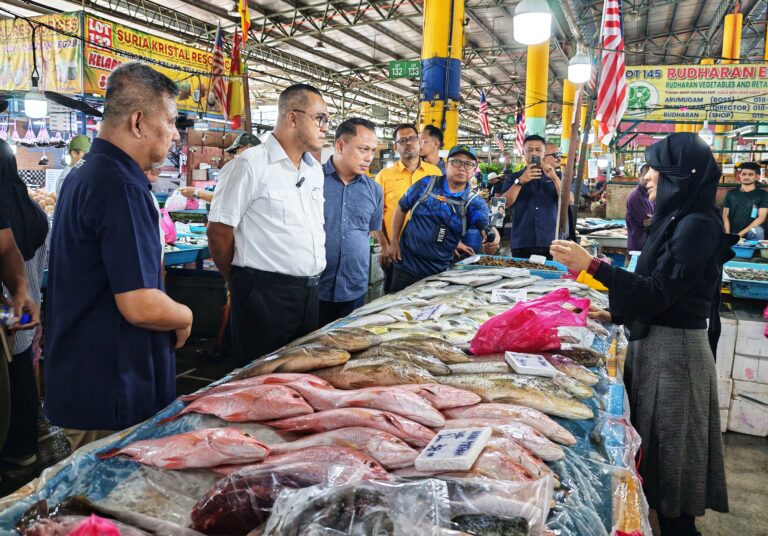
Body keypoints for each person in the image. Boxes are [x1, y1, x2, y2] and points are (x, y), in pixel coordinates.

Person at [550, 133, 732, 536]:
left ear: (680, 175)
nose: (646, 176)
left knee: (673, 467)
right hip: (655, 345)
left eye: (654, 168)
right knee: (655, 457)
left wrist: (593, 266)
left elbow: (658, 292)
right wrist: (614, 310)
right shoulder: (675, 218)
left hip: (677, 355)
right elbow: (656, 286)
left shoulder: (698, 226)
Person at [45, 63, 193, 450]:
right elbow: (140, 305)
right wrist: (185, 315)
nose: (175, 135)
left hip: (87, 379)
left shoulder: (86, 173)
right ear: (139, 122)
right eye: (172, 121)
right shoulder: (121, 188)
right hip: (110, 389)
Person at [207, 84, 328, 367]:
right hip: (263, 296)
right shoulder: (250, 165)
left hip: (309, 293)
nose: (325, 127)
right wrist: (238, 281)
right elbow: (219, 232)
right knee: (260, 378)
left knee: (299, 378)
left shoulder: (314, 171)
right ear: (293, 118)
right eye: (319, 118)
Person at [388, 145, 500, 292]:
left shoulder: (474, 203)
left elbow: (487, 227)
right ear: (446, 165)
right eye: (456, 162)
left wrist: (493, 241)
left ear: (474, 170)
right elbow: (401, 208)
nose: (462, 168)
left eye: (468, 164)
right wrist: (394, 241)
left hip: (438, 272)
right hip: (405, 265)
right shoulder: (426, 185)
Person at [0, 140, 48, 469]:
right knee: (23, 378)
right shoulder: (36, 214)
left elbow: (5, 248)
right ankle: (23, 449)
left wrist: (17, 290)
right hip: (21, 318)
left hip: (10, 316)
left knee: (13, 384)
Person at [319, 118, 383, 325]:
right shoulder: (312, 180)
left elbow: (370, 231)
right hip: (314, 288)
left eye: (372, 151)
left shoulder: (374, 190)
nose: (369, 158)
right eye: (363, 149)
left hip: (354, 287)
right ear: (340, 145)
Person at [374, 125, 441, 292]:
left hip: (428, 252)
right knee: (394, 301)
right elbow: (374, 216)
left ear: (419, 142)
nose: (408, 143)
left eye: (412, 139)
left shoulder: (435, 174)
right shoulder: (384, 176)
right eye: (402, 141)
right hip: (395, 253)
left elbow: (443, 211)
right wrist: (384, 245)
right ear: (396, 146)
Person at [501, 134, 561, 259]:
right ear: (523, 153)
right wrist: (520, 181)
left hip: (551, 242)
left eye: (538, 150)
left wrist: (554, 179)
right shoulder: (513, 178)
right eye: (529, 150)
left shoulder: (557, 176)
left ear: (544, 154)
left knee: (553, 278)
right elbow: (504, 204)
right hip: (522, 241)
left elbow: (569, 200)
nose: (534, 153)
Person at [179, 132, 261, 203]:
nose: (236, 155)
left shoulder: (254, 171)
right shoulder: (254, 169)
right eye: (235, 153)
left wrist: (196, 192)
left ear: (249, 148)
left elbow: (227, 200)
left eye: (237, 151)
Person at [723, 162, 768, 240]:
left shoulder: (763, 194)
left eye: (750, 174)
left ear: (757, 177)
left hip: (750, 233)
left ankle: (753, 252)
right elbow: (725, 216)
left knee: (758, 231)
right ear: (740, 176)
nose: (746, 177)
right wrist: (728, 235)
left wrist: (739, 235)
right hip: (732, 231)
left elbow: (761, 218)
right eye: (744, 174)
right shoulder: (731, 193)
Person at [625, 163, 654, 251]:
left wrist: (655, 219)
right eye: (645, 175)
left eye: (651, 175)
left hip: (648, 245)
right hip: (638, 247)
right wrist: (657, 219)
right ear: (640, 176)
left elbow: (655, 219)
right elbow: (646, 222)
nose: (647, 179)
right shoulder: (636, 197)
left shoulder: (652, 195)